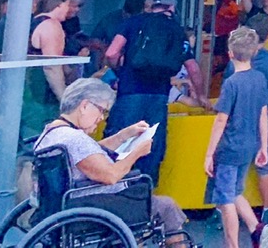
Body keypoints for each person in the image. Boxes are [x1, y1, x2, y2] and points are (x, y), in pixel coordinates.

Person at [36, 79, 192, 246]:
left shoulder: (53, 132)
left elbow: (91, 154)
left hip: (68, 202)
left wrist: (123, 135)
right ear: (84, 106)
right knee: (166, 205)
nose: (101, 118)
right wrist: (136, 152)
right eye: (101, 111)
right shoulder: (75, 139)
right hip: (95, 203)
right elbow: (111, 176)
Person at [104, 0, 198, 185]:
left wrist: (120, 70)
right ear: (172, 7)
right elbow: (193, 68)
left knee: (121, 142)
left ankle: (114, 190)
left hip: (129, 95)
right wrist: (202, 94)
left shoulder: (133, 23)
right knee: (151, 147)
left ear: (152, 6)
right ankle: (144, 193)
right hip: (158, 98)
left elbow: (112, 52)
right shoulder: (178, 30)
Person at [204, 26, 268, 248]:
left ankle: (232, 245)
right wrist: (263, 146)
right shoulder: (259, 78)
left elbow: (221, 120)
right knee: (235, 191)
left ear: (230, 53)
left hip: (229, 147)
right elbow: (263, 114)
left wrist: (209, 153)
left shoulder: (232, 83)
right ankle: (256, 228)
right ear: (254, 52)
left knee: (225, 200)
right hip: (249, 145)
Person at [225, 12, 268, 224]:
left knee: (232, 162)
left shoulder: (235, 60)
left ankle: (225, 208)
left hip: (238, 114)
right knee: (266, 163)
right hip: (265, 112)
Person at [22, 0, 70, 143]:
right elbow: (52, 65)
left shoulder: (31, 23)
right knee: (41, 141)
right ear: (60, 4)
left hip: (27, 90)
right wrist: (63, 97)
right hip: (41, 94)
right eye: (67, 4)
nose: (68, 9)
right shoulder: (51, 26)